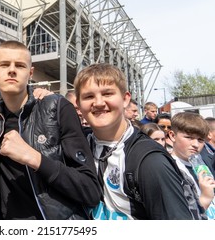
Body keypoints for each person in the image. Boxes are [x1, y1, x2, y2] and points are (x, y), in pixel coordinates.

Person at [0, 40, 101, 220]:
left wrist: (35, 159)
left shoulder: (57, 108)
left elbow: (90, 190)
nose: (12, 70)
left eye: (19, 65)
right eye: (4, 65)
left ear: (30, 73)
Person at [73, 63, 196, 219]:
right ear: (78, 104)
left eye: (107, 94)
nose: (98, 102)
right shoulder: (79, 146)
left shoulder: (150, 161)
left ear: (125, 99)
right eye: (89, 96)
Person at [168, 112, 215, 219]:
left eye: (200, 140)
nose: (196, 144)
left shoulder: (199, 161)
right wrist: (205, 197)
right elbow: (182, 215)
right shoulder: (170, 168)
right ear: (172, 135)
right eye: (189, 137)